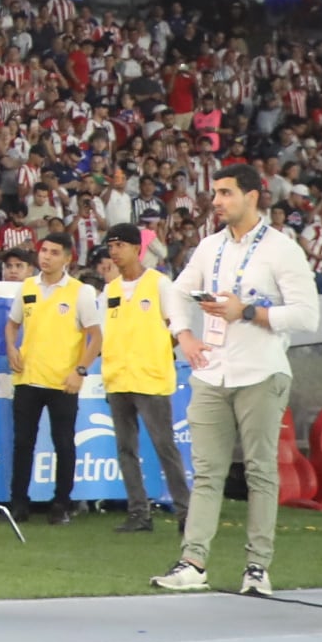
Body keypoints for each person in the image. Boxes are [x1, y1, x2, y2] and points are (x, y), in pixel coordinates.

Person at [152, 164, 316, 598]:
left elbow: (307, 315)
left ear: (253, 196)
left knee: (261, 471)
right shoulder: (209, 247)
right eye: (216, 193)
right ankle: (193, 562)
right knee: (206, 473)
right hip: (212, 371)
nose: (217, 201)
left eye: (226, 193)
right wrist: (183, 335)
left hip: (262, 371)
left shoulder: (282, 250)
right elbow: (175, 291)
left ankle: (258, 567)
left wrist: (248, 312)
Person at [4, 233, 102, 524]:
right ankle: (18, 503)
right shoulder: (27, 287)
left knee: (64, 443)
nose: (45, 257)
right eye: (43, 251)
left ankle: (62, 503)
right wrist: (11, 347)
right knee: (23, 442)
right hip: (28, 378)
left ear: (67, 258)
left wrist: (80, 371)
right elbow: (12, 325)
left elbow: (96, 337)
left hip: (63, 381)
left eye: (54, 252)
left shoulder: (80, 291)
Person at [94, 223, 185, 533]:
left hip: (150, 379)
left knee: (164, 447)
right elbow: (104, 333)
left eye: (120, 245)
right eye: (111, 246)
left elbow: (176, 326)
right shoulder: (110, 290)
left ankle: (186, 514)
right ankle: (138, 513)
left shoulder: (159, 284)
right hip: (119, 379)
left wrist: (155, 352)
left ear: (137, 248)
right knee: (125, 450)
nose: (114, 251)